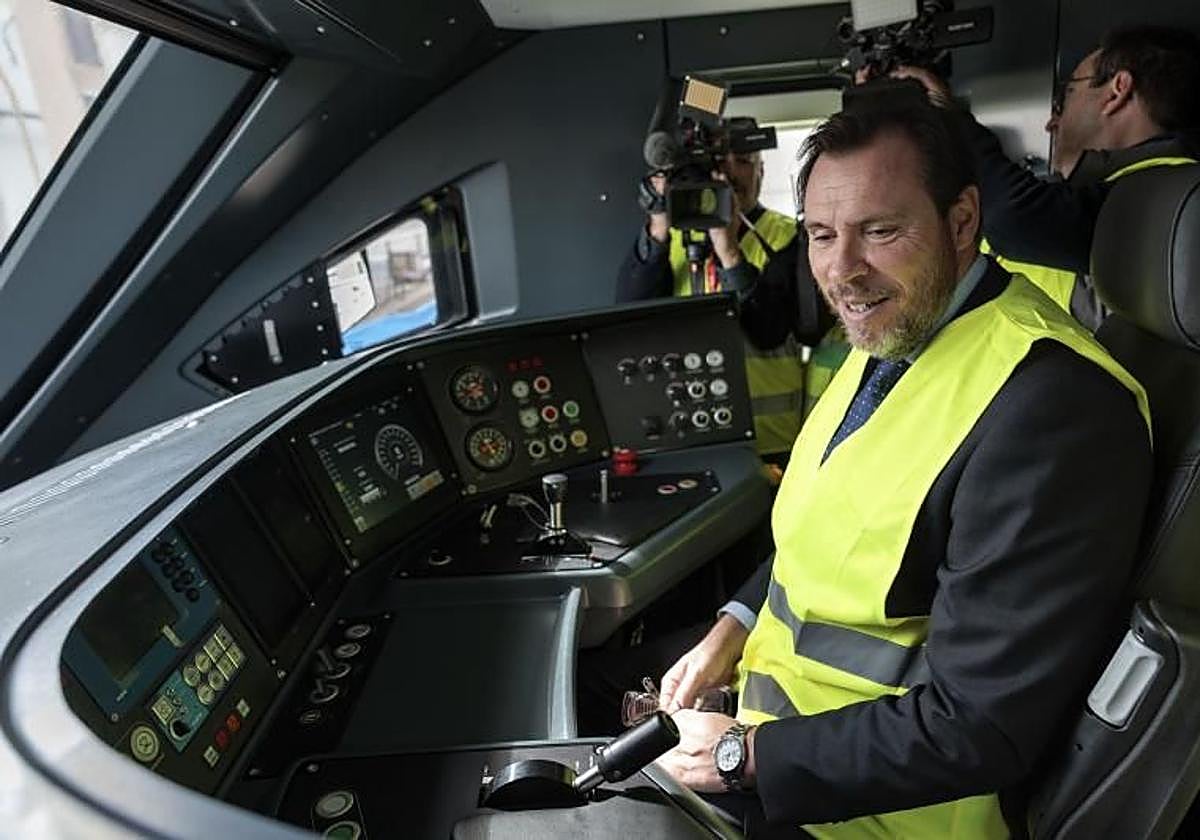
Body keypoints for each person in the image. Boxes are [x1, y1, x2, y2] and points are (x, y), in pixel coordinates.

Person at [654, 100, 1152, 837]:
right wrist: (729, 630)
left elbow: (979, 726)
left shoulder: (1052, 406)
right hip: (777, 721)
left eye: (880, 231)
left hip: (873, 812)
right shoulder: (892, 331)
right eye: (822, 236)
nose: (843, 272)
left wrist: (739, 756)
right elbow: (830, 523)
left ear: (961, 222)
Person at [893, 25, 1200, 329]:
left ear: (1116, 92)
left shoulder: (1162, 194)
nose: (1052, 123)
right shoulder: (1108, 192)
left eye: (1067, 95)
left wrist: (948, 115)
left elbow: (1012, 217)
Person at [616, 119, 847, 467]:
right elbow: (630, 316)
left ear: (761, 171)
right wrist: (659, 222)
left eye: (743, 161)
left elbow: (768, 330)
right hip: (690, 431)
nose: (731, 173)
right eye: (720, 162)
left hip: (772, 439)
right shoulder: (670, 241)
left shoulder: (788, 237)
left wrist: (728, 251)